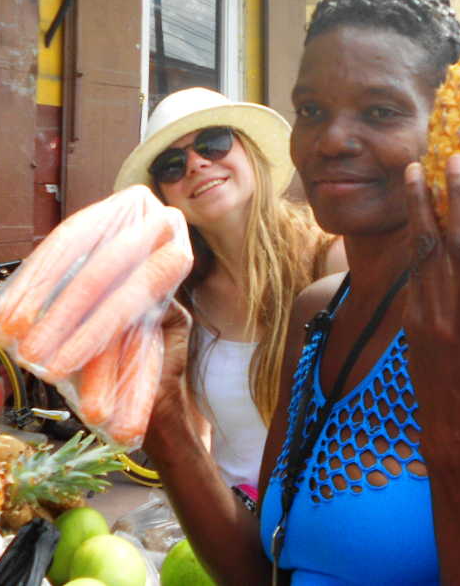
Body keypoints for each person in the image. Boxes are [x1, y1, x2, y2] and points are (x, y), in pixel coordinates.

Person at [144, 0, 460, 586]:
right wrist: (165, 412)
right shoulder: (315, 314)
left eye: (381, 111)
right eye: (312, 111)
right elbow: (263, 567)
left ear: (455, 130)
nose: (331, 140)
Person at [114, 87, 346, 491]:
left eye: (214, 142)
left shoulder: (332, 260)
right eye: (172, 164)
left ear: (250, 153)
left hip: (328, 523)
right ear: (162, 193)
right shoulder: (180, 300)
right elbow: (196, 441)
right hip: (236, 529)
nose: (197, 164)